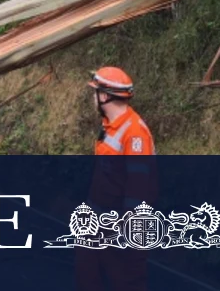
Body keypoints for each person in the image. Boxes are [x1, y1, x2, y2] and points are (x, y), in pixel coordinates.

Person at [75, 66, 155, 291]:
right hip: (99, 218)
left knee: (126, 280)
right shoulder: (110, 126)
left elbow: (138, 189)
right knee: (88, 271)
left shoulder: (134, 134)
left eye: (95, 92)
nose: (93, 98)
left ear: (105, 96)